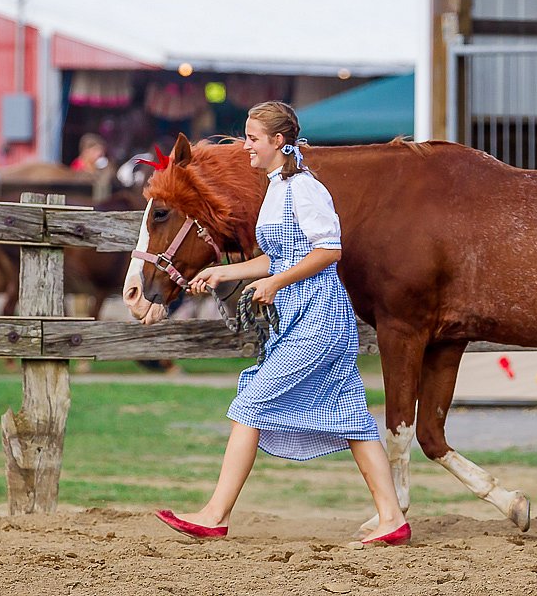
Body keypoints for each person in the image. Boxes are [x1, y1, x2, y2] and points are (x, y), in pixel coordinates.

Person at [155, 101, 410, 546]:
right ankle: (392, 518)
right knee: (351, 417)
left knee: (250, 402)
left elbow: (329, 251)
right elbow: (279, 254)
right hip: (298, 317)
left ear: (278, 141)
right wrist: (223, 272)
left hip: (319, 317)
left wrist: (275, 283)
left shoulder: (305, 189)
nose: (245, 146)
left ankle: (216, 513)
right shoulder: (277, 188)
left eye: (253, 138)